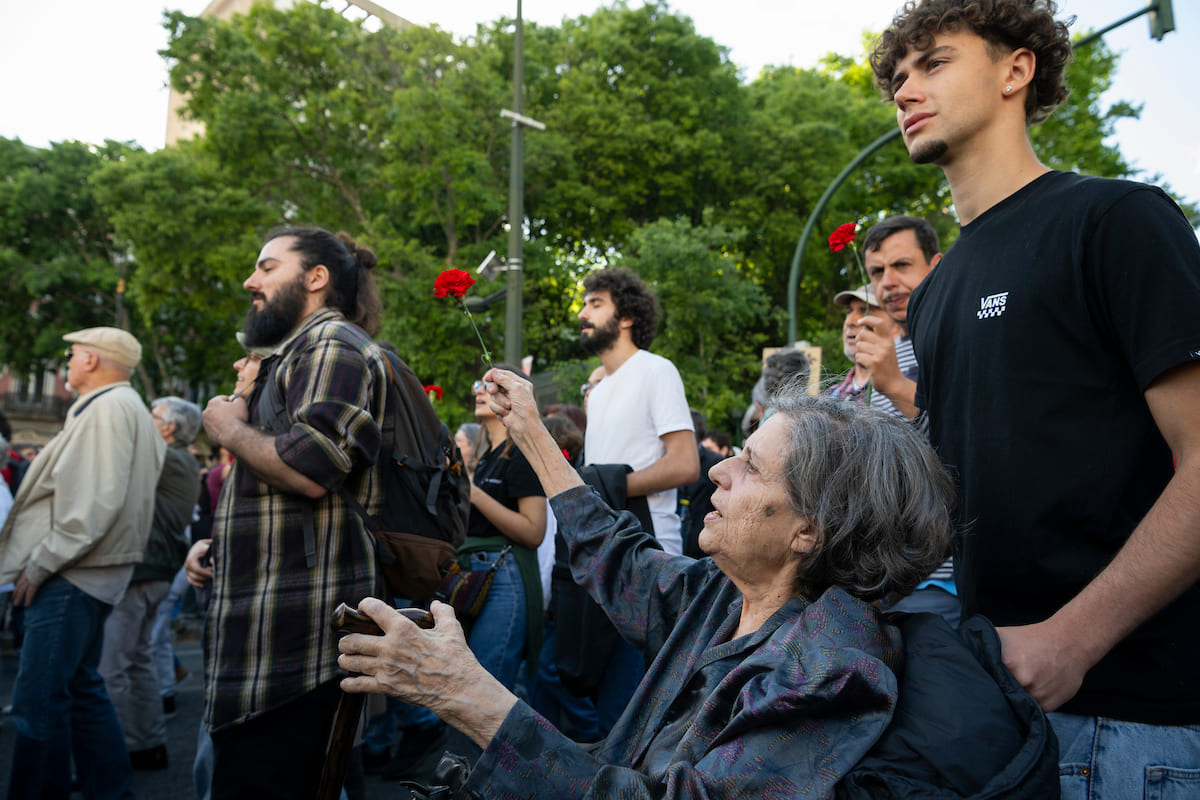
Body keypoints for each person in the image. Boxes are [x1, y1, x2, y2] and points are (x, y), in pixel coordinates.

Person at [338, 372, 956, 797]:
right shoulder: (726, 595)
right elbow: (617, 557)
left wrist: (466, 695)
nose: (717, 471)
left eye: (751, 467)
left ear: (810, 532)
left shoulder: (828, 674)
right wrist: (531, 431)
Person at [871, 0, 1200, 793]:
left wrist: (1074, 641)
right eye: (897, 76)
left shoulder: (1114, 220)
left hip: (1133, 725)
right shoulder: (939, 291)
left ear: (1016, 69)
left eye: (935, 62)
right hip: (1000, 718)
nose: (905, 89)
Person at [199, 226, 391, 798]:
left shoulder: (333, 344)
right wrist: (215, 549)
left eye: (266, 267)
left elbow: (312, 468)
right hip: (266, 650)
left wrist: (227, 426)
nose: (249, 281)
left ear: (316, 278)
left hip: (293, 659)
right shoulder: (291, 356)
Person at [0, 326, 165, 799]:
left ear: (92, 360)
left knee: (38, 704)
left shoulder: (108, 410)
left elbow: (92, 504)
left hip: (72, 574)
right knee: (80, 691)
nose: (67, 361)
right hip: (92, 573)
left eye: (72, 353)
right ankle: (110, 791)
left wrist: (41, 563)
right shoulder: (123, 407)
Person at [99, 396, 203, 771]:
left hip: (143, 569)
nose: (146, 419)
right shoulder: (178, 458)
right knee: (139, 658)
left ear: (168, 427)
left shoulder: (168, 457)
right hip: (156, 570)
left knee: (112, 667)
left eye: (152, 414)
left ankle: (109, 757)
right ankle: (145, 743)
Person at [577, 268, 698, 555]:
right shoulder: (597, 391)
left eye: (596, 304)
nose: (583, 314)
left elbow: (685, 464)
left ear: (627, 318)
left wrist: (606, 489)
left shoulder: (656, 369)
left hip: (649, 544)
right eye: (585, 304)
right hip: (603, 539)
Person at [461, 367, 545, 691]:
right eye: (478, 384)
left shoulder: (521, 453)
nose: (479, 390)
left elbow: (534, 531)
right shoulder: (487, 458)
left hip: (504, 577)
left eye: (490, 385)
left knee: (485, 691)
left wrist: (474, 494)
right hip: (481, 576)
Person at [854, 216, 942, 420]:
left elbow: (964, 433)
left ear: (937, 266)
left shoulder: (962, 337)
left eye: (901, 265)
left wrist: (895, 384)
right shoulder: (887, 350)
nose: (887, 282)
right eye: (877, 272)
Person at [825, 284, 893, 404]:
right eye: (848, 312)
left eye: (865, 311)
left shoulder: (908, 393)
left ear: (895, 323)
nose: (850, 322)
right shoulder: (828, 397)